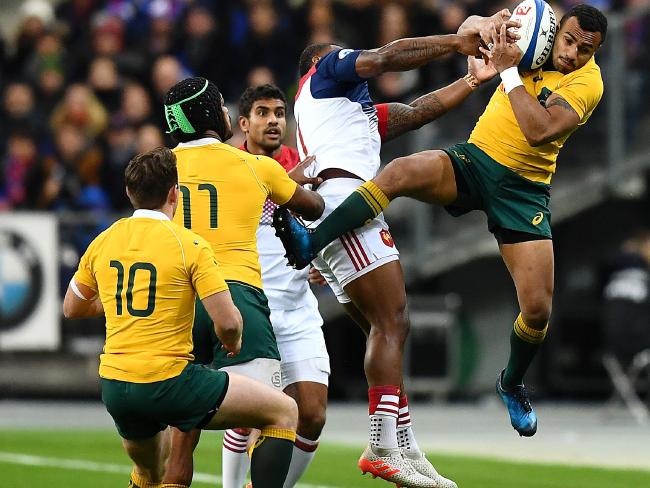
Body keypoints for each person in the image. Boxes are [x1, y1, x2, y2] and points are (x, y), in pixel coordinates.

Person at [274, 4, 607, 440]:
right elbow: (473, 33)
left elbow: (539, 131)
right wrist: (483, 29)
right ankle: (311, 243)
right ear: (556, 31)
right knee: (396, 173)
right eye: (568, 41)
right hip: (476, 159)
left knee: (538, 310)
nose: (572, 55)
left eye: (586, 50)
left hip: (524, 189)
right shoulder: (531, 38)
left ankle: (510, 383)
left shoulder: (589, 81)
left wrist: (505, 74)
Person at [270, 10, 519, 488]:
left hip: (329, 206)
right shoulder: (326, 70)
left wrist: (473, 80)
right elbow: (387, 57)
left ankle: (402, 441)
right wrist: (457, 41)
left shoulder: (346, 115)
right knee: (393, 321)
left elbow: (418, 111)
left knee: (384, 327)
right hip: (347, 203)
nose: (353, 65)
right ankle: (384, 444)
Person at [63, 147, 300, 488]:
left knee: (150, 473)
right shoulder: (189, 244)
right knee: (283, 411)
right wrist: (232, 343)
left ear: (131, 193)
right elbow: (229, 322)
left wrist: (113, 302)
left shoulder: (105, 240)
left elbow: (72, 307)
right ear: (175, 192)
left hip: (116, 387)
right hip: (168, 382)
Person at [161, 77, 325, 487]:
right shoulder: (257, 167)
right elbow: (315, 206)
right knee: (276, 413)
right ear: (221, 117)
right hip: (236, 298)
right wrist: (292, 186)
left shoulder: (160, 166)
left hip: (177, 304)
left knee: (181, 440)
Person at [224, 84, 330, 488]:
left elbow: (318, 218)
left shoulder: (299, 164)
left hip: (298, 305)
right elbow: (256, 201)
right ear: (244, 124)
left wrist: (324, 259)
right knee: (251, 413)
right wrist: (293, 181)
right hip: (251, 305)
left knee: (314, 414)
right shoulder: (230, 166)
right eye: (263, 113)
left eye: (280, 113)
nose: (273, 121)